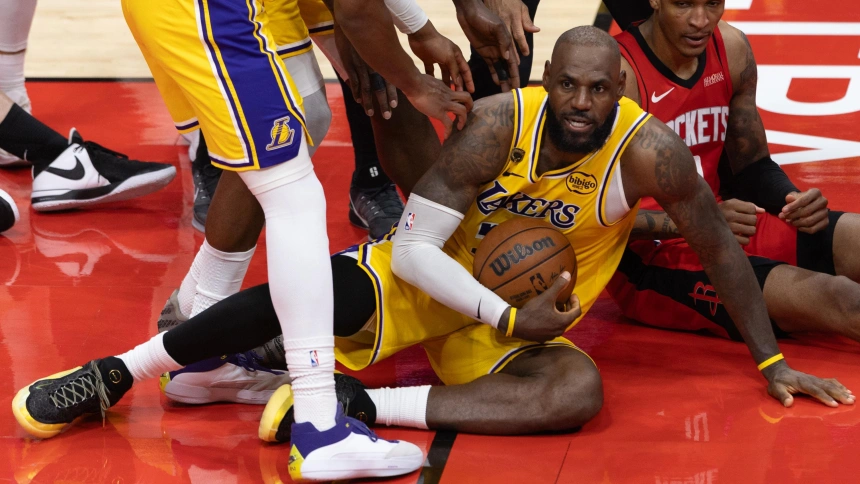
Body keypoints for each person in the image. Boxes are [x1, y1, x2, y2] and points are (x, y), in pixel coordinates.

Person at [15, 28, 852, 448]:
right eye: (569, 85)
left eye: (600, 89)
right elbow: (412, 247)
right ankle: (115, 372)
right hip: (435, 284)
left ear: (619, 90)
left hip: (512, 334)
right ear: (546, 81)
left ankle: (359, 405)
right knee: (319, 285)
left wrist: (772, 361)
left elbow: (718, 250)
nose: (583, 103)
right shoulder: (498, 125)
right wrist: (500, 310)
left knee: (579, 394)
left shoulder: (652, 155)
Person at [12, 0, 437, 478]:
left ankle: (200, 359)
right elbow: (360, 8)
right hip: (209, 11)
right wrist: (421, 37)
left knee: (303, 122)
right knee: (292, 194)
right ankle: (322, 427)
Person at [603, 0, 860, 348]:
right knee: (843, 300)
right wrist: (697, 222)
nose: (700, 21)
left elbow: (750, 165)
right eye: (683, 4)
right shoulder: (617, 75)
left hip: (727, 226)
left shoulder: (732, 48)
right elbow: (584, 209)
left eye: (712, 3)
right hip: (649, 257)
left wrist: (791, 198)